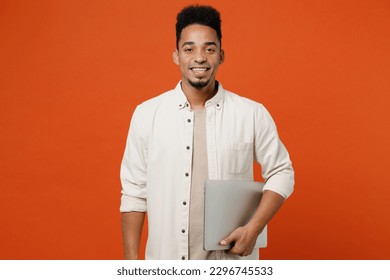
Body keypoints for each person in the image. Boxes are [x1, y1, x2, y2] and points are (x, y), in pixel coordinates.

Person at [120, 5, 294, 260]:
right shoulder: (147, 115)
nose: (199, 57)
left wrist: (253, 229)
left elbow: (282, 171)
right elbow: (134, 192)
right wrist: (131, 267)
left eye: (209, 49)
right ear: (176, 55)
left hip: (230, 265)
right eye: (189, 49)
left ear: (221, 55)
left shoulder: (251, 114)